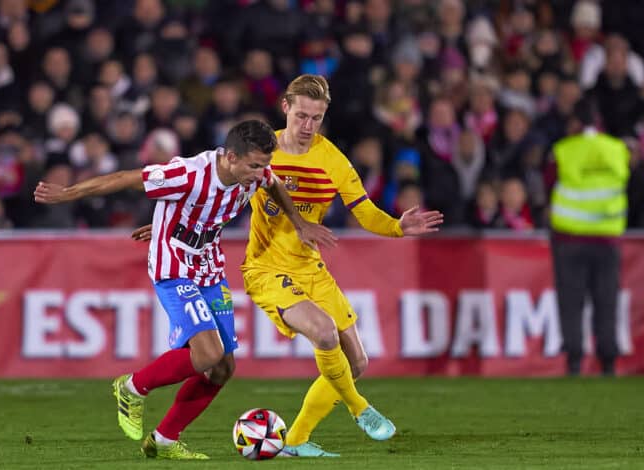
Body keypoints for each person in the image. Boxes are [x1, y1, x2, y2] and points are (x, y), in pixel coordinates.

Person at [133, 75, 443, 457]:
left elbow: (363, 211)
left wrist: (396, 226)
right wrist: (175, 224)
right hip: (267, 269)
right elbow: (215, 186)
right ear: (286, 108)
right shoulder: (261, 150)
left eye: (316, 117)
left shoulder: (333, 160)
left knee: (356, 361)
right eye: (301, 116)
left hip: (311, 268)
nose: (308, 126)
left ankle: (294, 440)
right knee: (325, 333)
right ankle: (359, 408)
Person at [34, 119, 336, 460]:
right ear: (230, 157)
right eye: (254, 165)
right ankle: (131, 388)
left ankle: (163, 440)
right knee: (207, 353)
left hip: (209, 267)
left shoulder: (257, 173)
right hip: (174, 267)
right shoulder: (188, 174)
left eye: (264, 164)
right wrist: (68, 193)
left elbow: (275, 184)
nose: (260, 173)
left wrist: (300, 224)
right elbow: (126, 178)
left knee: (223, 367)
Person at [549, 99, 630, 376]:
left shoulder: (564, 150)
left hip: (570, 240)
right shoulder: (617, 149)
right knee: (606, 301)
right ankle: (608, 361)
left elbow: (549, 183)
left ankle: (574, 361)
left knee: (572, 303)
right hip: (607, 239)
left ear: (575, 123)